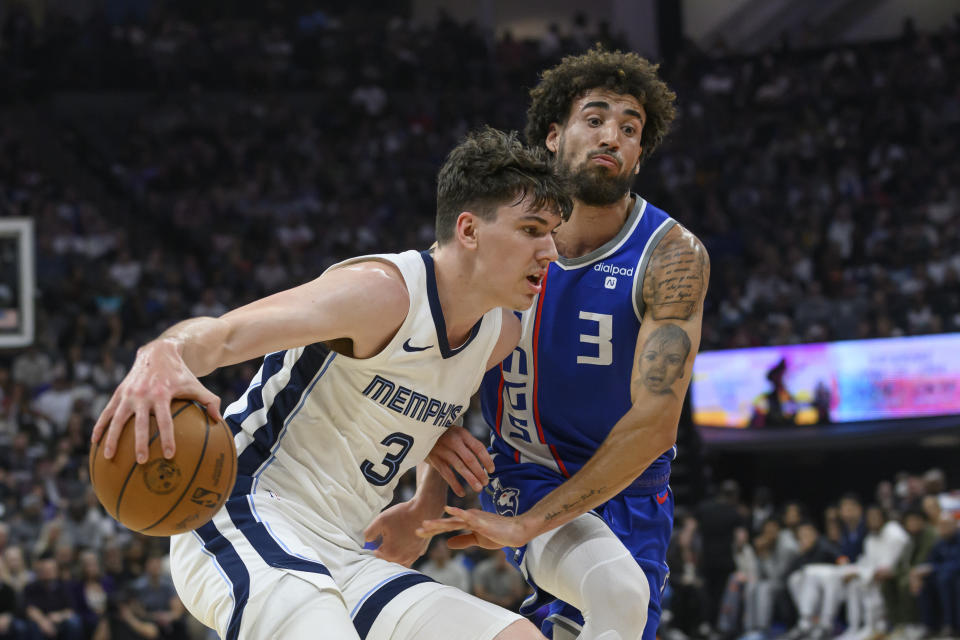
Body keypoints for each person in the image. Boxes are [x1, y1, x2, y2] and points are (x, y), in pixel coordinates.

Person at [90, 128, 572, 640]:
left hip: (343, 549)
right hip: (245, 509)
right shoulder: (381, 293)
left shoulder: (499, 333)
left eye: (554, 234)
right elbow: (222, 337)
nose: (551, 252)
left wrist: (426, 503)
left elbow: (442, 397)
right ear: (470, 230)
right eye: (532, 230)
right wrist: (164, 352)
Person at [421, 48, 710, 640]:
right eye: (596, 119)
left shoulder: (672, 254)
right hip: (524, 472)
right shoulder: (505, 234)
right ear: (554, 137)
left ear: (639, 154)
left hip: (628, 490)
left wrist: (529, 528)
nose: (613, 137)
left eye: (630, 129)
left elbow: (656, 423)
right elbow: (441, 358)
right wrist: (431, 492)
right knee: (613, 597)